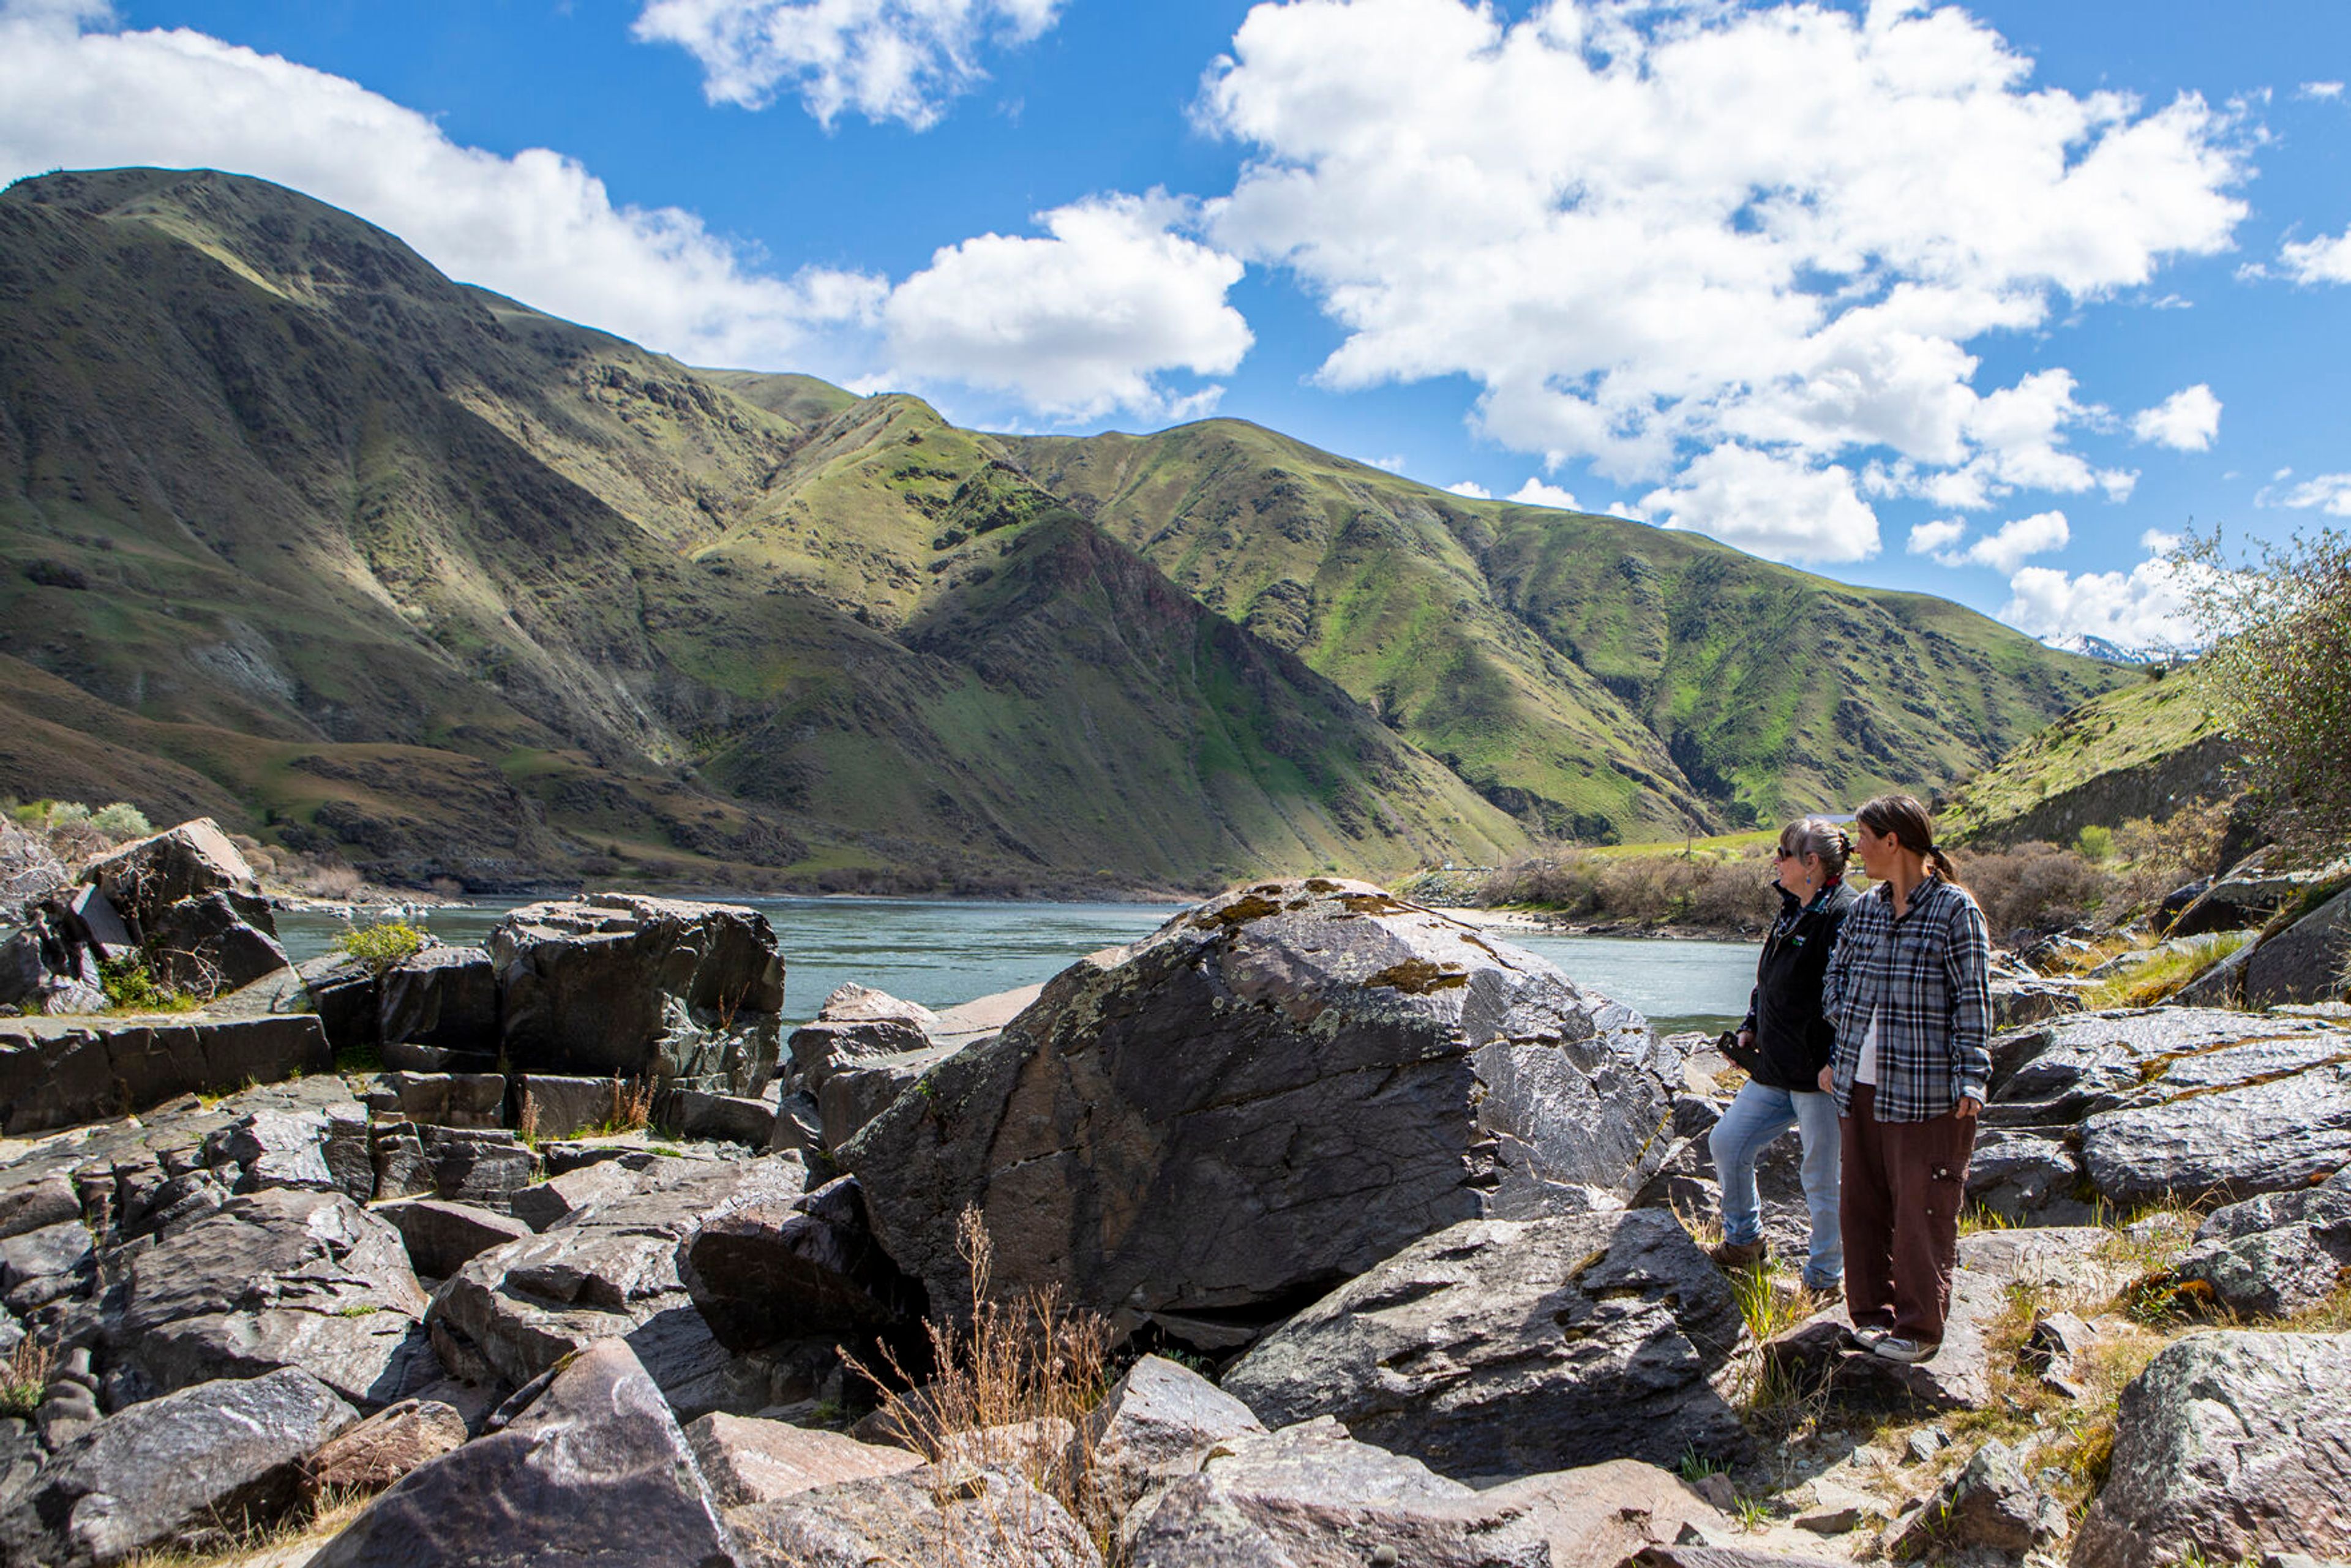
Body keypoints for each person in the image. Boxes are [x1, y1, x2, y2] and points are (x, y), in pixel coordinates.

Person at [1819, 793, 1992, 1365]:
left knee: (1921, 1208)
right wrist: (1847, 1027)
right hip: (1859, 1086)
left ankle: (1919, 1330)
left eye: (1864, 836)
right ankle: (1871, 1317)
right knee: (1861, 1206)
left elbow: (1973, 1000)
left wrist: (1973, 1075)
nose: (1856, 848)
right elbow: (1835, 978)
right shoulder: (1866, 909)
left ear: (1893, 841)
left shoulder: (1954, 910)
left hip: (1927, 1089)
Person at [1706, 817, 1859, 1291]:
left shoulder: (1845, 914)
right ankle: (1745, 1241)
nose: (1776, 860)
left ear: (1811, 863)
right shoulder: (1794, 906)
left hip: (1819, 1076)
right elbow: (1769, 981)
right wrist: (1752, 1026)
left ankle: (1825, 1277)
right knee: (1728, 1142)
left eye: (1784, 853)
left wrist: (1838, 1060)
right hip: (1775, 1069)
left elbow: (1851, 997)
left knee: (1820, 1177)